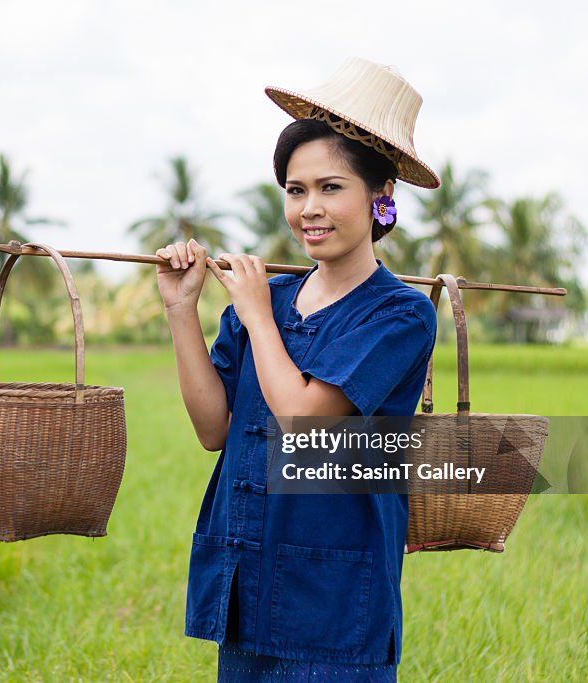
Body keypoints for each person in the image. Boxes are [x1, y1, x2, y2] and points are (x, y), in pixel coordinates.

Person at [154, 58, 441, 682]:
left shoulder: (400, 314)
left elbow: (303, 419)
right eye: (296, 189)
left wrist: (256, 316)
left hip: (337, 599)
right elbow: (213, 429)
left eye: (331, 187)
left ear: (380, 198)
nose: (310, 208)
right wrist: (182, 311)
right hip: (248, 571)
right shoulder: (270, 300)